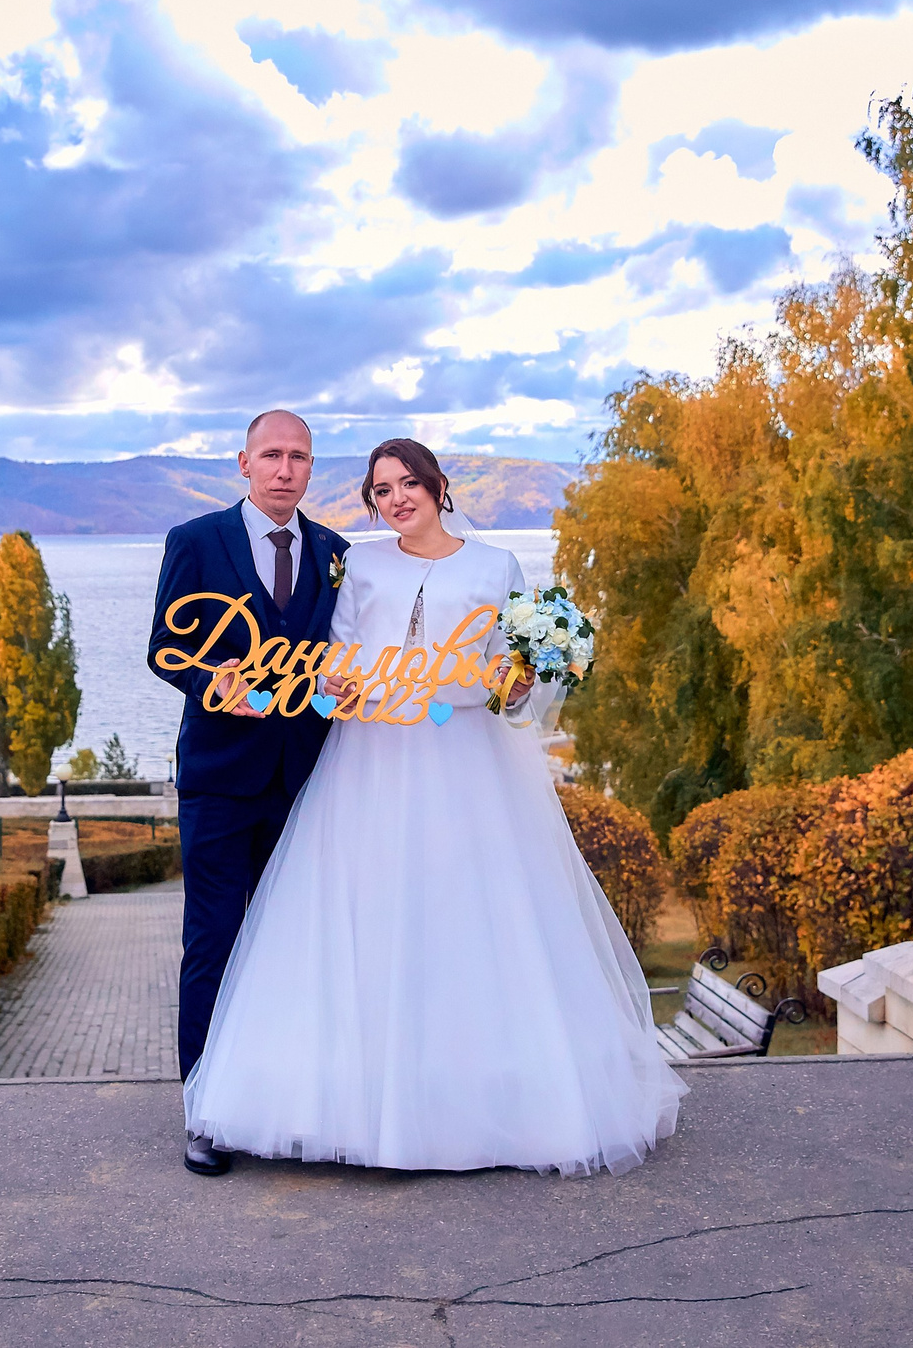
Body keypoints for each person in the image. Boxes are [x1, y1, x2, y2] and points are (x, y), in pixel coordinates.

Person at [182, 438, 685, 1176]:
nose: (396, 499)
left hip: (467, 763)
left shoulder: (495, 567)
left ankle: (474, 1097)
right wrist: (336, 684)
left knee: (469, 914)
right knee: (368, 913)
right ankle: (355, 1102)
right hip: (371, 760)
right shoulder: (362, 563)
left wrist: (520, 687)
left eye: (408, 483)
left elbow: (518, 671)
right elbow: (341, 652)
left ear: (438, 485)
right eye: (382, 489)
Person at [145, 409, 351, 1175]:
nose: (285, 468)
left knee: (291, 943)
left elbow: (341, 651)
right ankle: (205, 1111)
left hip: (307, 781)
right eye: (272, 454)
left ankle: (282, 1099)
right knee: (214, 942)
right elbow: (163, 647)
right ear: (243, 462)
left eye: (299, 456)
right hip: (221, 783)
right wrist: (208, 681)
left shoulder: (334, 551)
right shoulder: (195, 541)